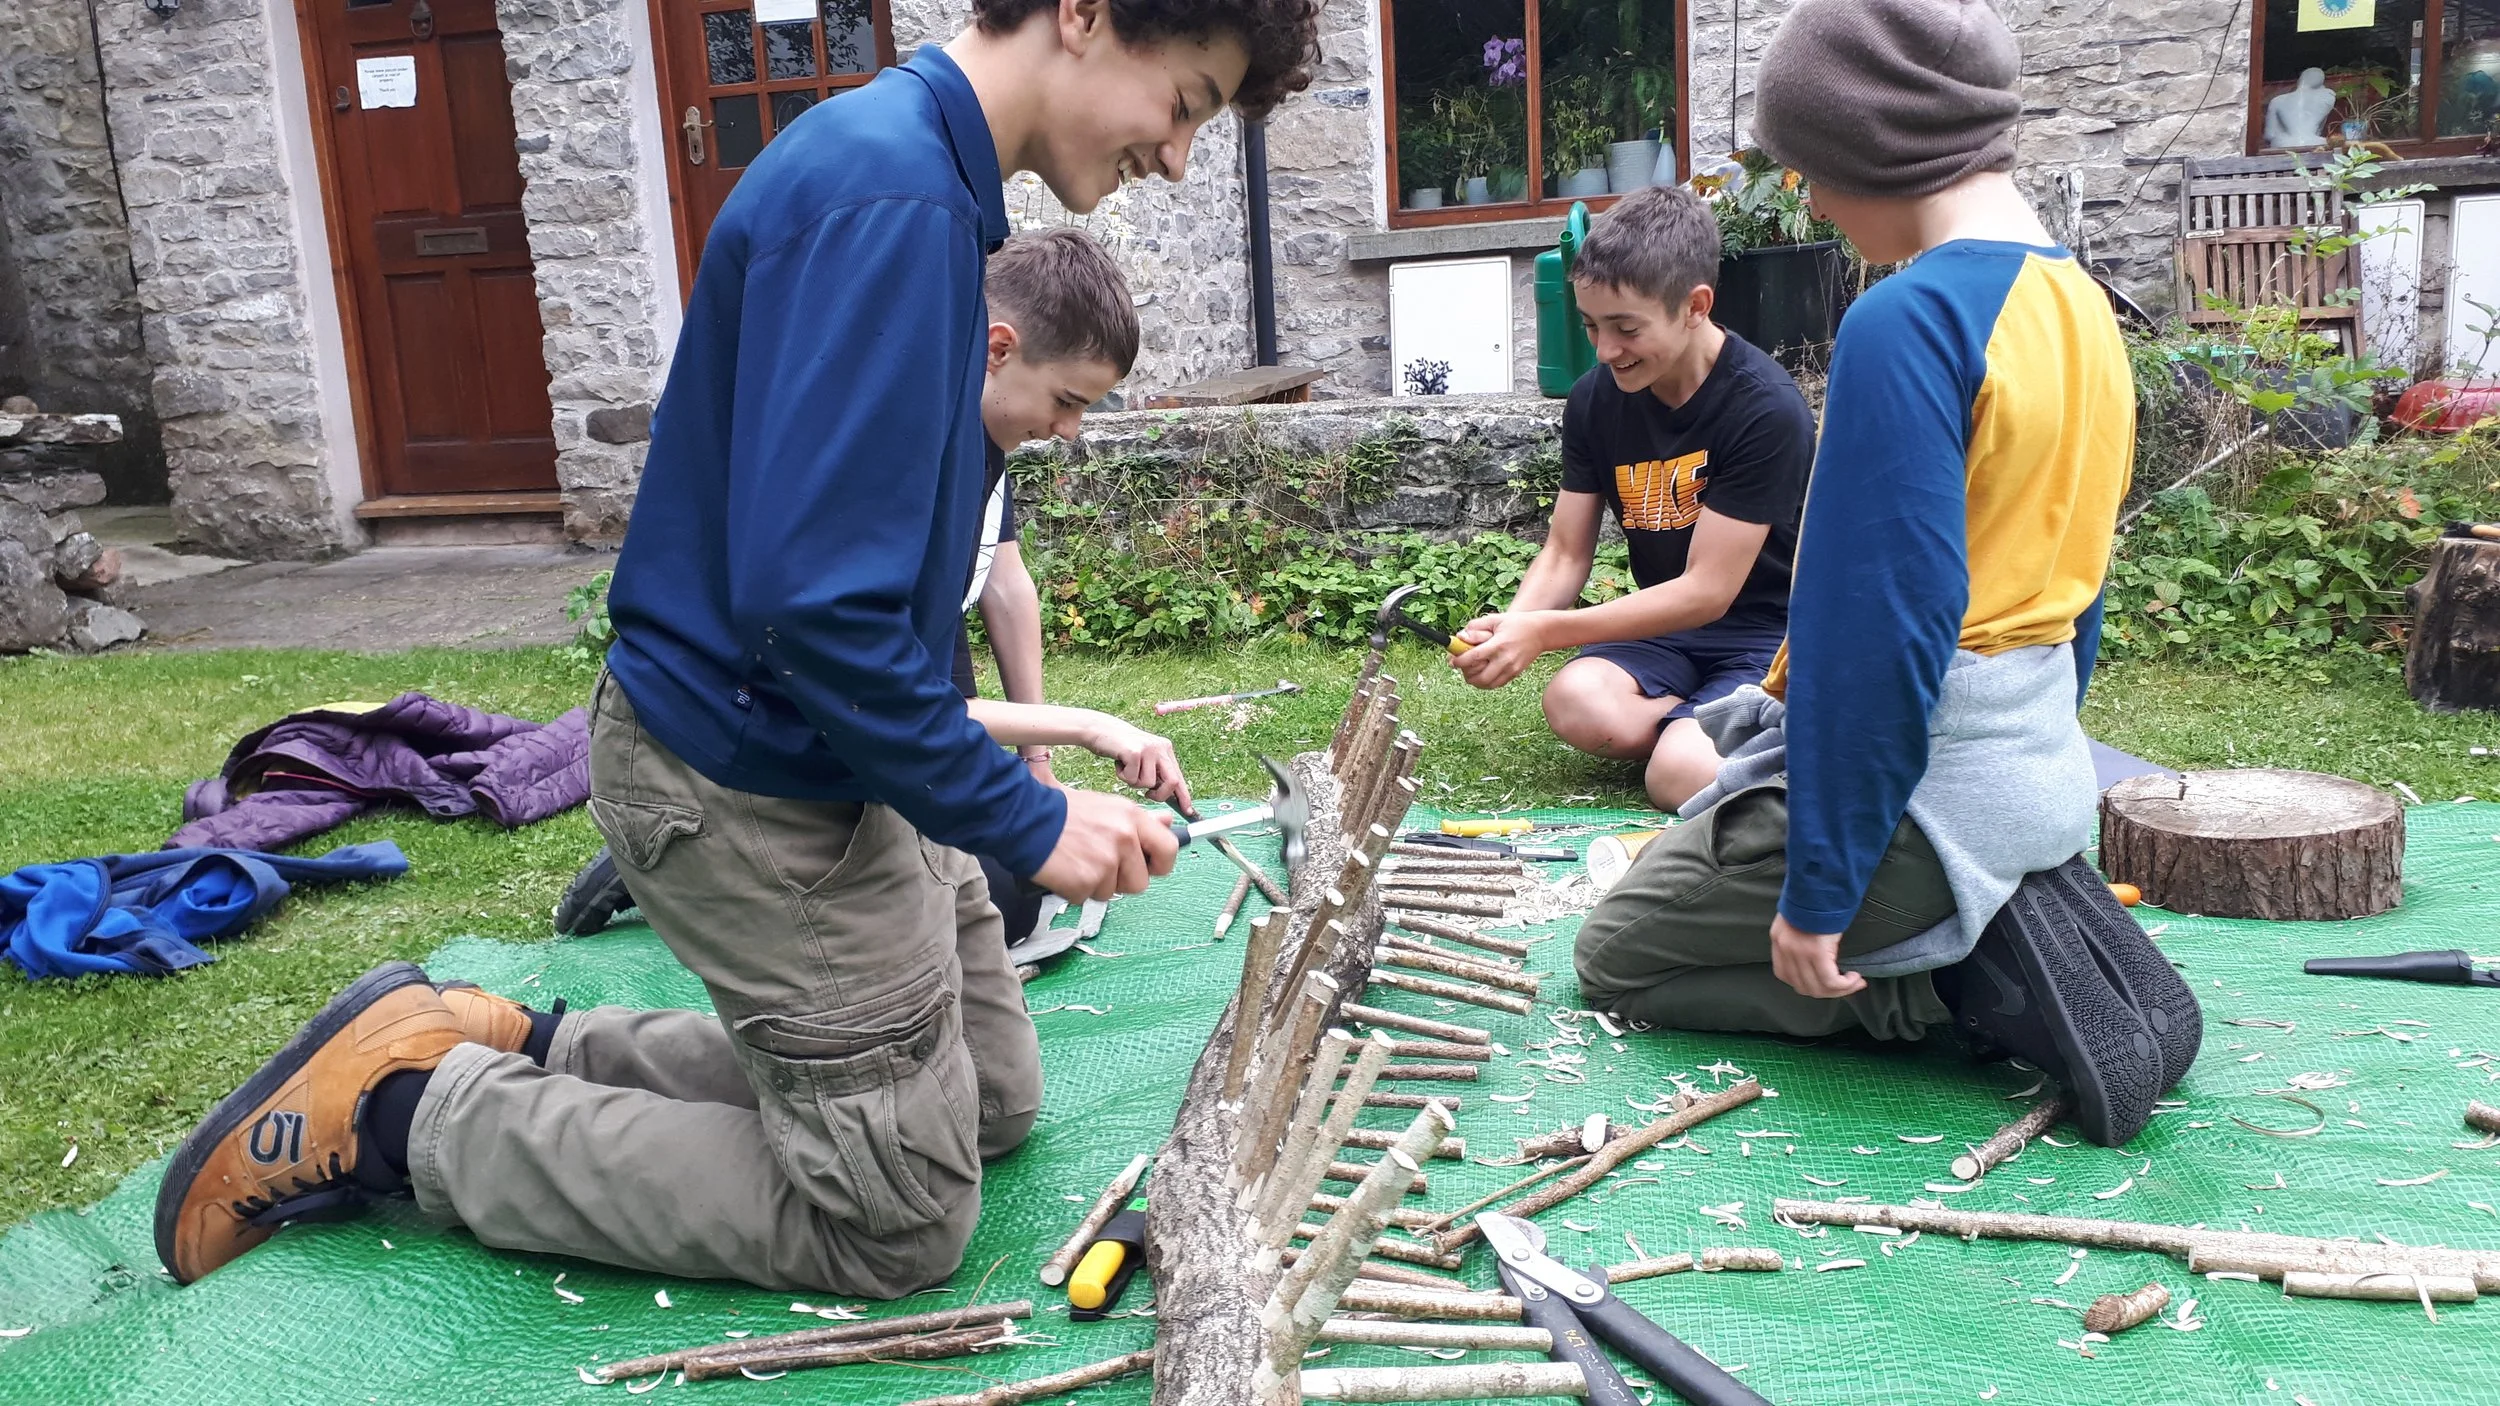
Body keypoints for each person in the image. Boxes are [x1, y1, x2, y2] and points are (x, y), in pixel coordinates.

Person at [154, 0, 1320, 1296]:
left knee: (989, 1099)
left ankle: (525, 1038)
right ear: (1087, 16)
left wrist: (996, 791)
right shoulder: (895, 202)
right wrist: (1024, 819)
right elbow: (815, 604)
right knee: (898, 1217)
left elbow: (841, 585)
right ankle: (406, 1112)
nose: (1175, 156)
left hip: (820, 754)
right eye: (1188, 105)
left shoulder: (921, 187)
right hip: (741, 779)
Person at [1571, 0, 2196, 1150]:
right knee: (1715, 774)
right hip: (2037, 775)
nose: (1807, 201)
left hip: (1922, 802)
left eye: (1807, 168)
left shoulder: (1906, 317)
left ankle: (1945, 990)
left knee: (1614, 956)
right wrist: (2035, 769)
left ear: (1872, 148)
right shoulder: (2079, 304)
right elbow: (2084, 580)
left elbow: (1881, 625)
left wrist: (1821, 887)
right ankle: (2002, 898)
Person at [1451, 185, 1814, 812]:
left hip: (1766, 637)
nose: (1604, 350)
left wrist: (1549, 632)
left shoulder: (1764, 409)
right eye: (1591, 326)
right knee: (1574, 702)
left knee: (1674, 778)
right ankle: (1699, 730)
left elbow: (1708, 590)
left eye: (1626, 328)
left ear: (1696, 306)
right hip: (1666, 632)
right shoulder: (1596, 398)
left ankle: (1725, 736)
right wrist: (1516, 623)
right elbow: (1566, 554)